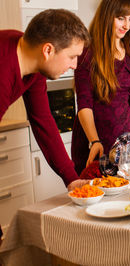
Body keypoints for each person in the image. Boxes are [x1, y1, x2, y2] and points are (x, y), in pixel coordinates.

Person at [0, 9, 90, 190]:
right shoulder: (3, 70)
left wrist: (72, 179)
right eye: (72, 57)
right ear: (48, 50)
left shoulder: (33, 61)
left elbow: (43, 121)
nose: (74, 65)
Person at [72, 0, 130, 176]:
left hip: (126, 145)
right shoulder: (87, 54)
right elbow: (84, 106)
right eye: (120, 18)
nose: (127, 25)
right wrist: (94, 141)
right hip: (95, 141)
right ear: (107, 16)